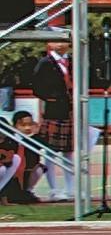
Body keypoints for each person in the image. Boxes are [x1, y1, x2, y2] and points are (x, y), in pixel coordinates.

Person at [29, 38, 74, 201]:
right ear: (49, 44)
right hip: (54, 111)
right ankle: (54, 189)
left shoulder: (73, 61)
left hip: (71, 110)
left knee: (70, 152)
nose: (61, 44)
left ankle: (71, 189)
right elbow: (35, 86)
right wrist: (50, 98)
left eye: (64, 41)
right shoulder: (45, 63)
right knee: (51, 153)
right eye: (56, 41)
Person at [1, 110, 40, 203]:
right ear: (15, 125)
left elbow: (34, 159)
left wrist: (36, 134)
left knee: (39, 169)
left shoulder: (32, 140)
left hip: (23, 173)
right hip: (10, 174)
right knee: (2, 169)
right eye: (23, 125)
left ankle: (26, 192)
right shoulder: (10, 139)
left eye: (30, 124)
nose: (27, 128)